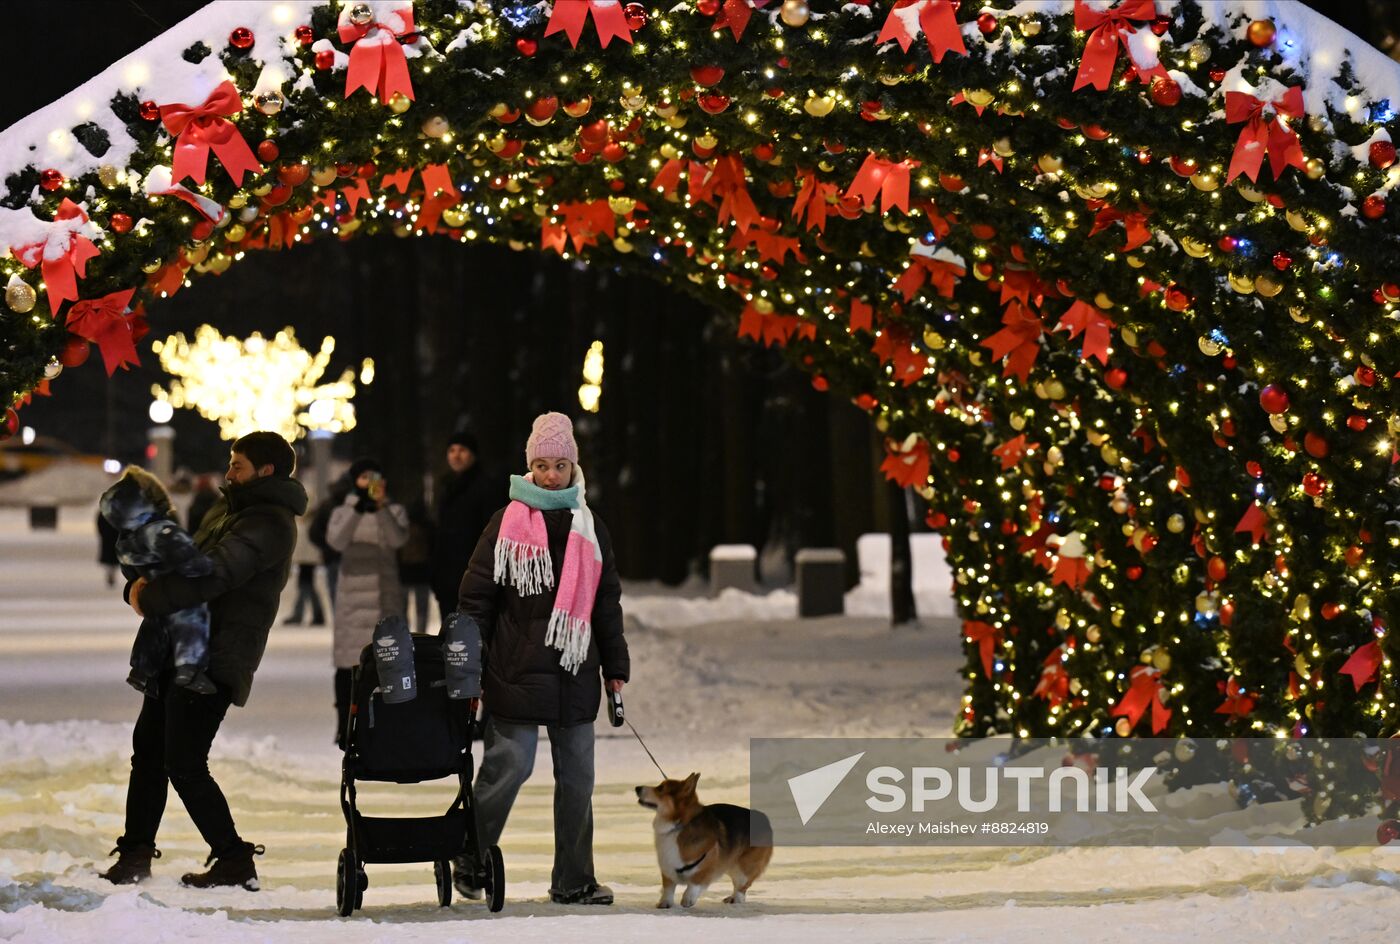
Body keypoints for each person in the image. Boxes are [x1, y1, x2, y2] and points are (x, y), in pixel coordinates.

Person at [97, 431, 307, 891]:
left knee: (185, 760)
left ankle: (234, 858)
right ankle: (135, 852)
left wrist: (148, 597)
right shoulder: (232, 510)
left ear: (265, 471)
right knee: (148, 752)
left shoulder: (268, 522)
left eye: (238, 465)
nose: (229, 471)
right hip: (180, 645)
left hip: (215, 655)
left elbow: (212, 574)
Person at [451, 412, 628, 906]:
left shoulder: (591, 528)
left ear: (574, 466)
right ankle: (469, 852)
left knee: (578, 781)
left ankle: (574, 879)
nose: (552, 476)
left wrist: (615, 668)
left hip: (575, 670)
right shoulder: (506, 522)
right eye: (543, 465)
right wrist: (472, 666)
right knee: (509, 766)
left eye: (560, 465)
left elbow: (606, 604)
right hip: (515, 669)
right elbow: (476, 599)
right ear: (529, 466)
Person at [99, 466, 217, 696]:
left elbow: (131, 572)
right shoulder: (160, 530)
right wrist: (204, 565)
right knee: (191, 622)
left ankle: (142, 669)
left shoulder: (126, 539)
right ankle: (189, 669)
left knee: (155, 627)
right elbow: (189, 559)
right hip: (175, 586)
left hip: (153, 590)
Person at [326, 457, 409, 749]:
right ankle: (344, 727)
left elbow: (398, 539)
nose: (371, 483)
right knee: (348, 666)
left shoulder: (394, 510)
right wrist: (357, 509)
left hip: (386, 599)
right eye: (365, 477)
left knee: (387, 664)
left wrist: (381, 507)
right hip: (352, 602)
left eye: (376, 477)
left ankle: (389, 725)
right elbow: (336, 541)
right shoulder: (341, 512)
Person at [430, 432, 506, 621]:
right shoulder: (446, 487)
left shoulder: (486, 487)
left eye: (462, 450)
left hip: (474, 578)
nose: (456, 455)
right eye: (452, 450)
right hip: (447, 581)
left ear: (473, 454)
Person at [283, 512, 327, 626]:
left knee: (305, 582)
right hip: (307, 548)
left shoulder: (307, 512)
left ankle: (304, 613)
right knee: (306, 582)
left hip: (307, 549)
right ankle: (314, 614)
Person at [96, 507, 120, 588]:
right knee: (113, 559)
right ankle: (111, 572)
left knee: (110, 560)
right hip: (114, 538)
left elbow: (99, 523)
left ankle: (111, 572)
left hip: (108, 538)